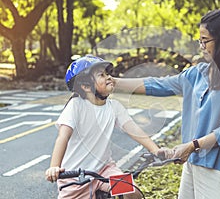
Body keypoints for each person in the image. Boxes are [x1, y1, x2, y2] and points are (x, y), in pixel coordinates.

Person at [114, 9, 220, 199]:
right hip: (192, 164)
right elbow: (158, 85)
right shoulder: (197, 73)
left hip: (218, 171)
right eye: (200, 40)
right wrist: (113, 82)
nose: (201, 46)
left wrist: (191, 146)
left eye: (205, 40)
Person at [45, 55, 168, 199]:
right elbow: (63, 136)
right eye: (101, 75)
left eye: (108, 73)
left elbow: (134, 129)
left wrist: (156, 150)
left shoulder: (114, 107)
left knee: (133, 193)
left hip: (105, 170)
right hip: (75, 177)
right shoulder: (76, 105)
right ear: (85, 86)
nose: (109, 77)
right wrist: (55, 166)